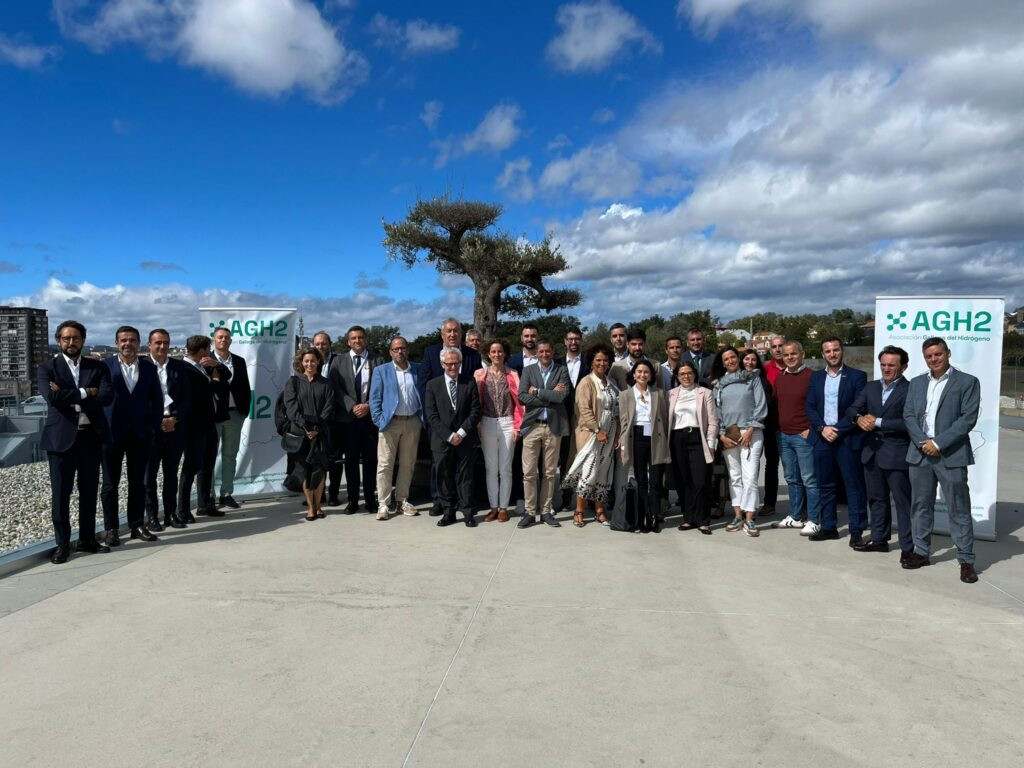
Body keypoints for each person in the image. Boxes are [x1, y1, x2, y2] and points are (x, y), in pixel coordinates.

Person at [902, 337, 981, 583]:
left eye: (938, 354)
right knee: (920, 506)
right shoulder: (916, 383)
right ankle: (921, 552)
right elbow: (908, 415)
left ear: (948, 353)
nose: (933, 359)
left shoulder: (967, 382)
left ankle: (966, 560)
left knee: (959, 508)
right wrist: (924, 442)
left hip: (951, 454)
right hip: (920, 453)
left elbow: (967, 419)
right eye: (928, 356)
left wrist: (938, 443)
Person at [38, 320, 113, 564]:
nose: (71, 342)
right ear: (58, 340)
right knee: (61, 494)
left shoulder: (98, 367)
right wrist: (86, 392)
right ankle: (62, 545)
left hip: (91, 438)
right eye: (66, 338)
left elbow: (105, 396)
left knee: (89, 492)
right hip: (60, 440)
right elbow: (52, 397)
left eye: (76, 338)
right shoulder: (47, 368)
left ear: (83, 339)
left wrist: (70, 394)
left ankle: (87, 539)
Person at [847, 345, 913, 561]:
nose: (886, 369)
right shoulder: (871, 387)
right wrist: (859, 418)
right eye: (883, 364)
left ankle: (907, 547)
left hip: (896, 454)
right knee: (876, 499)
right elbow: (852, 409)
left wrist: (878, 421)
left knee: (903, 503)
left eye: (891, 365)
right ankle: (879, 539)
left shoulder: (910, 389)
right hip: (871, 452)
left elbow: (909, 423)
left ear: (903, 367)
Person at [100, 325, 163, 546]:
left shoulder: (148, 368)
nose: (128, 344)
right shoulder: (104, 367)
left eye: (132, 340)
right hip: (111, 435)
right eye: (124, 340)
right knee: (110, 485)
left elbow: (157, 402)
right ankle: (112, 529)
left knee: (138, 483)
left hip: (141, 434)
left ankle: (137, 525)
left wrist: (153, 428)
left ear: (139, 343)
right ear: (117, 343)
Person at [805, 337, 867, 543]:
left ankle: (856, 530)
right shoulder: (815, 378)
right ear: (823, 354)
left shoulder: (857, 376)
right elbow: (810, 407)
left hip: (847, 438)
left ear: (842, 351)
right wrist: (822, 428)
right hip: (822, 438)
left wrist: (838, 430)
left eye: (836, 350)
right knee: (826, 484)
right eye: (828, 351)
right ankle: (829, 526)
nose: (832, 354)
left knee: (853, 486)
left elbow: (858, 408)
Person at [421, 317, 483, 516]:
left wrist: (465, 428)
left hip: (465, 424)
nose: (452, 334)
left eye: (456, 331)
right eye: (448, 331)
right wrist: (436, 422)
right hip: (439, 424)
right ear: (442, 333)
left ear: (461, 333)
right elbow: (424, 385)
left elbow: (475, 389)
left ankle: (465, 505)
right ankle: (440, 502)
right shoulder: (431, 353)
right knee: (440, 468)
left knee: (464, 470)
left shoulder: (472, 355)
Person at [712, 347, 767, 537]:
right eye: (726, 359)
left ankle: (749, 518)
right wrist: (721, 435)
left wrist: (751, 428)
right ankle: (737, 515)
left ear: (739, 358)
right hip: (729, 435)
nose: (730, 361)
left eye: (733, 357)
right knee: (734, 476)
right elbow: (716, 413)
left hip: (751, 432)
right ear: (722, 362)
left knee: (750, 477)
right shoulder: (718, 385)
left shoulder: (752, 378)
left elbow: (760, 404)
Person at [563, 344, 620, 527]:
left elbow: (617, 410)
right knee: (589, 472)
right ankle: (579, 511)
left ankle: (600, 511)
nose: (602, 363)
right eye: (598, 360)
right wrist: (598, 430)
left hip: (610, 433)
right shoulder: (586, 382)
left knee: (604, 472)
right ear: (592, 362)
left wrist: (617, 433)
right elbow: (584, 410)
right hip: (591, 434)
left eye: (605, 360)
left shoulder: (611, 383)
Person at [370, 336, 426, 520]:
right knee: (385, 464)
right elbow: (375, 398)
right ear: (390, 352)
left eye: (402, 348)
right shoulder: (381, 371)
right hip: (389, 423)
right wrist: (379, 421)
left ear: (407, 350)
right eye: (396, 349)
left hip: (412, 421)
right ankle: (384, 504)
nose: (399, 352)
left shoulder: (417, 369)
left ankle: (402, 501)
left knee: (408, 464)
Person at [518, 340, 570, 529]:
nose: (544, 354)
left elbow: (562, 397)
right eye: (541, 351)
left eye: (548, 351)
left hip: (553, 427)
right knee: (529, 472)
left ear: (553, 351)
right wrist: (549, 396)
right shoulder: (529, 370)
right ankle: (530, 512)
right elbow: (522, 396)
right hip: (532, 426)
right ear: (537, 353)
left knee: (549, 472)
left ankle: (546, 511)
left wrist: (538, 392)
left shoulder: (561, 370)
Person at [331, 325, 383, 514]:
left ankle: (370, 499)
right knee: (350, 461)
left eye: (360, 338)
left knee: (371, 460)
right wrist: (352, 405)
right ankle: (353, 500)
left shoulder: (377, 360)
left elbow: (382, 386)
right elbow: (335, 387)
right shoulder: (338, 361)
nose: (357, 341)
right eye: (353, 338)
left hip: (370, 418)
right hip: (348, 419)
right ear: (348, 341)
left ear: (366, 339)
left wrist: (368, 405)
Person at [771, 341, 821, 533]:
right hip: (784, 435)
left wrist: (811, 429)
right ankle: (795, 516)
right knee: (791, 478)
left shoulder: (812, 377)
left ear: (802, 354)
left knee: (809, 479)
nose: (790, 358)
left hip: (803, 435)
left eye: (793, 354)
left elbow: (819, 405)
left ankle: (814, 519)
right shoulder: (780, 379)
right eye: (786, 355)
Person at [615, 359, 669, 533]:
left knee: (655, 481)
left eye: (646, 372)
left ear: (651, 375)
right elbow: (624, 423)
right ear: (634, 374)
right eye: (639, 371)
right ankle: (642, 517)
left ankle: (654, 516)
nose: (642, 375)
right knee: (641, 480)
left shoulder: (659, 394)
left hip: (656, 438)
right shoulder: (625, 395)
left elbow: (664, 419)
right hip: (636, 437)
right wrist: (623, 446)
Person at [179, 335, 229, 523]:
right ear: (202, 350)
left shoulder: (206, 366)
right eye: (208, 349)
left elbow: (227, 376)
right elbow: (198, 396)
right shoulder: (184, 369)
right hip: (194, 426)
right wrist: (215, 382)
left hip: (209, 424)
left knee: (207, 466)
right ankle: (183, 509)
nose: (210, 352)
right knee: (190, 468)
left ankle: (205, 504)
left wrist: (216, 367)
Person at [144, 328, 191, 531]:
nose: (162, 347)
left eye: (165, 343)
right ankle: (152, 516)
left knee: (171, 474)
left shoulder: (179, 367)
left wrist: (176, 418)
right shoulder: (142, 367)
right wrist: (155, 421)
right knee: (149, 477)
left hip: (174, 427)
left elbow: (187, 398)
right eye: (158, 343)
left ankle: (170, 514)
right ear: (150, 345)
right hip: (151, 429)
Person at [473, 340, 522, 523]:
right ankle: (493, 507)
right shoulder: (479, 374)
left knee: (506, 468)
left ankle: (503, 508)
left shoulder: (513, 374)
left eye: (500, 351)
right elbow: (475, 402)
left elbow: (519, 402)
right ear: (488, 354)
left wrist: (518, 425)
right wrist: (477, 424)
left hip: (508, 422)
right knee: (490, 468)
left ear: (505, 353)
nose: (496, 355)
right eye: (493, 351)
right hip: (487, 422)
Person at [283, 348, 335, 520]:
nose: (309, 364)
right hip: (301, 434)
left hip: (321, 433)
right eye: (306, 361)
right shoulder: (294, 382)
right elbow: (291, 408)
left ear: (318, 362)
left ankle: (319, 506)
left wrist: (317, 429)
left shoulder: (326, 383)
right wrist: (306, 428)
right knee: (305, 470)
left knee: (320, 470)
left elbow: (329, 407)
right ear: (301, 363)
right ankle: (311, 508)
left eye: (313, 360)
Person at [204, 326, 251, 510]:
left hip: (235, 415)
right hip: (214, 416)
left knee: (230, 456)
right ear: (214, 340)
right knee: (209, 456)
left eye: (226, 337)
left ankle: (226, 493)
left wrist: (245, 410)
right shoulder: (206, 361)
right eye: (220, 337)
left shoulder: (239, 361)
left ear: (230, 341)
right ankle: (208, 495)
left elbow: (245, 386)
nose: (223, 340)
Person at [669, 361, 718, 533]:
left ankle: (703, 519)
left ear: (694, 374)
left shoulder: (705, 393)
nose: (686, 376)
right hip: (677, 438)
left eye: (689, 373)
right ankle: (688, 518)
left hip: (698, 437)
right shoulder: (671, 394)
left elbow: (712, 422)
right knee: (683, 481)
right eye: (682, 374)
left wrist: (711, 443)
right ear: (677, 377)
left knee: (701, 480)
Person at [556, 327, 590, 511]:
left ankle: (587, 499)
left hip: (584, 419)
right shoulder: (557, 363)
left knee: (585, 458)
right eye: (570, 339)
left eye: (576, 339)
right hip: (562, 418)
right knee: (565, 458)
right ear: (565, 341)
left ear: (581, 340)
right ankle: (565, 497)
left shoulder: (589, 363)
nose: (573, 342)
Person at [743, 348, 779, 518]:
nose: (749, 362)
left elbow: (765, 406)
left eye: (753, 360)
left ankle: (769, 503)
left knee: (770, 465)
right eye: (746, 359)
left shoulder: (762, 382)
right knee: (750, 469)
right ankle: (749, 503)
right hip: (746, 430)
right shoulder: (737, 381)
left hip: (766, 428)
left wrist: (755, 425)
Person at [313, 331, 346, 507]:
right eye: (317, 344)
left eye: (324, 343)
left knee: (334, 458)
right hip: (316, 419)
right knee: (317, 458)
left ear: (330, 344)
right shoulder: (310, 362)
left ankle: (333, 493)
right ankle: (317, 494)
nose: (320, 347)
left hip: (335, 418)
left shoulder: (339, 361)